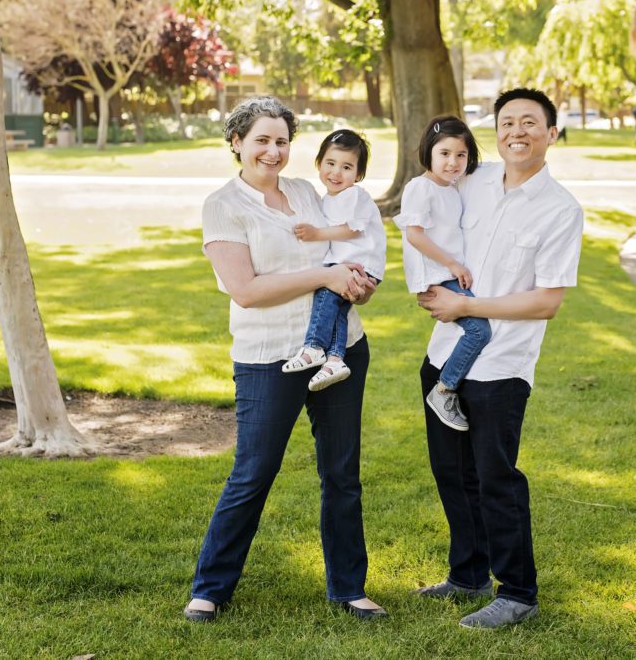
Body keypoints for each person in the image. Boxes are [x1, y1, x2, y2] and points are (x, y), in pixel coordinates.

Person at [185, 97, 387, 623]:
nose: (273, 152)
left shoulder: (306, 193)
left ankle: (348, 587)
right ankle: (210, 588)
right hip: (269, 357)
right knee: (253, 472)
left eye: (281, 141)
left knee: (341, 473)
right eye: (261, 141)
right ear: (236, 143)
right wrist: (324, 277)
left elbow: (342, 256)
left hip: (341, 351)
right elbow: (246, 290)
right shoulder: (223, 204)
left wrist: (356, 285)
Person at [414, 88, 584, 629]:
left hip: (502, 365)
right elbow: (424, 216)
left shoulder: (560, 209)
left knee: (495, 478)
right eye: (507, 121)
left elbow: (547, 300)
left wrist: (468, 306)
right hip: (443, 353)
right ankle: (467, 575)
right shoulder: (471, 180)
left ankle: (518, 592)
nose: (518, 131)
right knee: (451, 474)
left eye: (530, 123)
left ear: (551, 134)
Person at [394, 116, 490, 432]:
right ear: (429, 154)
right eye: (444, 154)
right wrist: (453, 265)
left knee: (478, 328)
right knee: (480, 331)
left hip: (448, 270)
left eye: (460, 155)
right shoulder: (421, 188)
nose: (453, 162)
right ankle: (444, 389)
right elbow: (415, 235)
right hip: (438, 274)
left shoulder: (451, 188)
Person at [283, 130, 386, 392]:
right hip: (349, 263)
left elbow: (352, 229)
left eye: (347, 167)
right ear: (319, 164)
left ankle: (314, 346)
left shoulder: (355, 196)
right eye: (330, 163)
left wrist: (318, 234)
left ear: (358, 175)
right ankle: (336, 359)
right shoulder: (330, 199)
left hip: (358, 263)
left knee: (326, 294)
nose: (336, 173)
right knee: (339, 308)